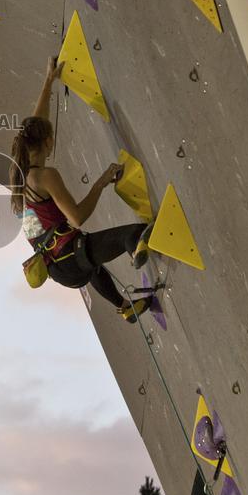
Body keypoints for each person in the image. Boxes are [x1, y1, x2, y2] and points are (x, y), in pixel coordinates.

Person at [10, 57, 153, 322]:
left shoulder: (20, 181)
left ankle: (125, 308)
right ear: (49, 142)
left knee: (94, 264)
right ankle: (137, 249)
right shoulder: (44, 176)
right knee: (132, 234)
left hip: (57, 268)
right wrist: (102, 181)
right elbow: (76, 217)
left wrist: (48, 81)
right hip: (69, 255)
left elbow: (35, 126)